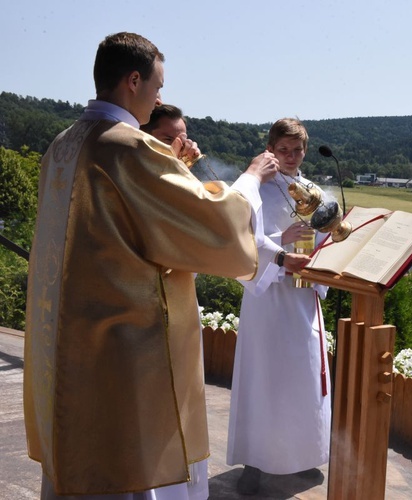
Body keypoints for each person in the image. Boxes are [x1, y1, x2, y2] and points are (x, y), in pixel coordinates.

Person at [23, 32, 290, 499]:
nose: (160, 97)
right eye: (157, 85)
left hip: (74, 346)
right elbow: (212, 226)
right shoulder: (125, 147)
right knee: (128, 470)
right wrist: (249, 180)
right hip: (128, 351)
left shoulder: (63, 145)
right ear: (133, 80)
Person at [227, 118, 331, 495]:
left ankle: (301, 459)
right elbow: (237, 239)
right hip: (267, 298)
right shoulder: (255, 190)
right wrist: (279, 242)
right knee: (264, 379)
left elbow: (325, 240)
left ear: (305, 150)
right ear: (270, 149)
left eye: (297, 150)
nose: (290, 157)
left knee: (301, 380)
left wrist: (325, 244)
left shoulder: (314, 192)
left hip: (302, 295)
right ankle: (254, 462)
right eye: (283, 150)